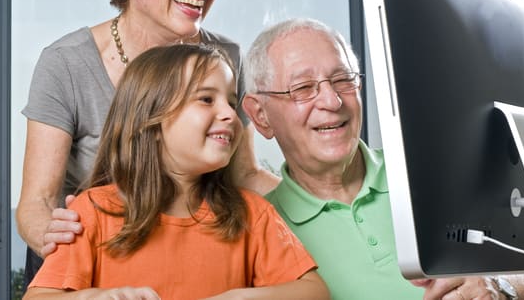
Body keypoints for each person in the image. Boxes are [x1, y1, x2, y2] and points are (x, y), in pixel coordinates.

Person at [17, 0, 280, 288]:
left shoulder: (225, 57)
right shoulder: (67, 62)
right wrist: (66, 249)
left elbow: (246, 176)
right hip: (96, 262)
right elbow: (36, 203)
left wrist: (329, 204)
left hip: (195, 257)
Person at [240, 17, 524, 300]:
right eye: (303, 87)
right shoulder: (259, 230)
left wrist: (500, 286)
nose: (333, 100)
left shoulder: (434, 172)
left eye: (343, 79)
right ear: (261, 115)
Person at [23, 44, 329, 300]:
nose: (228, 114)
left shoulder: (252, 214)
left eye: (231, 103)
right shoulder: (93, 213)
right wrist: (98, 297)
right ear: (152, 122)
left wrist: (240, 297)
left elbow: (315, 292)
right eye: (206, 99)